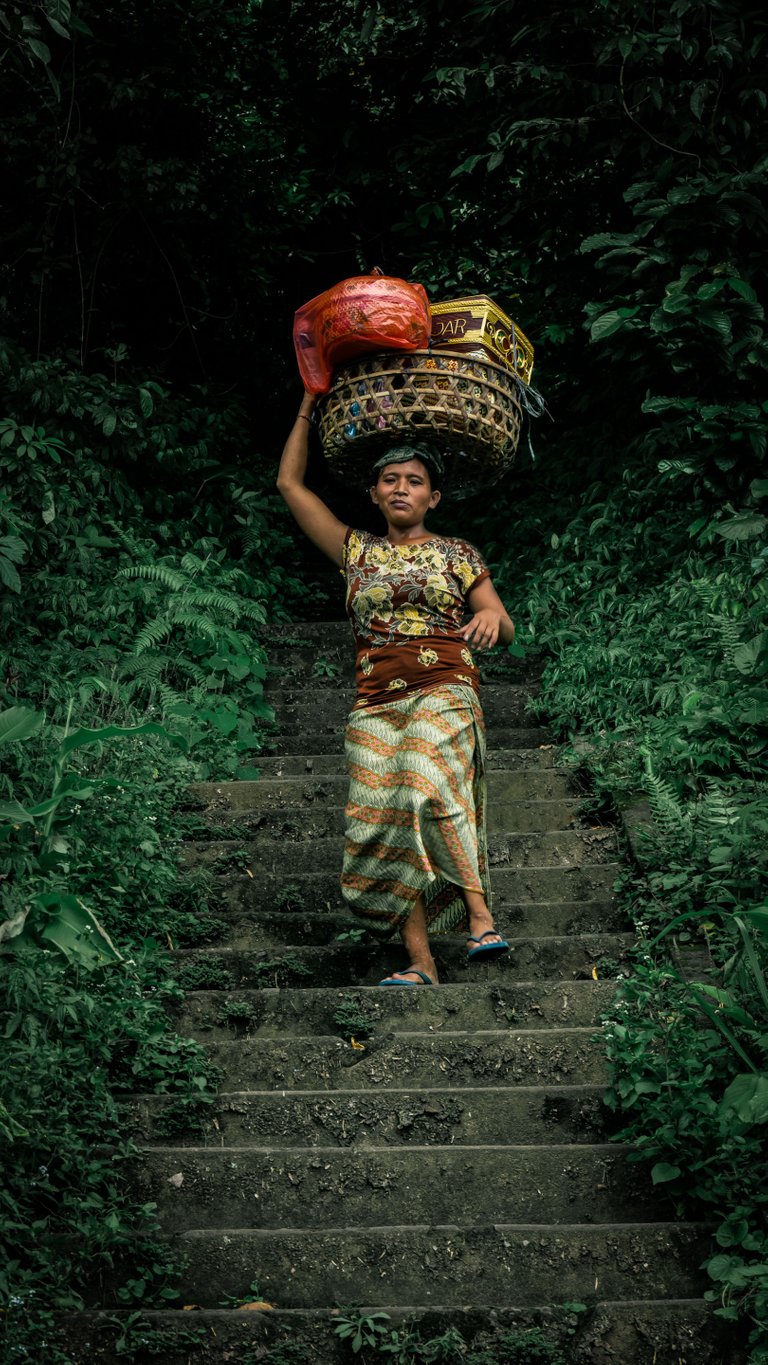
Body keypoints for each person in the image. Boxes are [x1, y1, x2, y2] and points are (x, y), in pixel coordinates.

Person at [276, 389, 516, 987]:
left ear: (432, 496)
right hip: (375, 700)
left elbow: (502, 623)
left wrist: (491, 620)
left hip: (445, 684)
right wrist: (309, 404)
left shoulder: (458, 554)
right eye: (390, 479)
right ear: (376, 492)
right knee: (383, 817)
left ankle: (479, 917)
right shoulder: (355, 550)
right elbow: (289, 485)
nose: (401, 488)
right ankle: (420, 963)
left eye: (414, 480)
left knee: (420, 779)